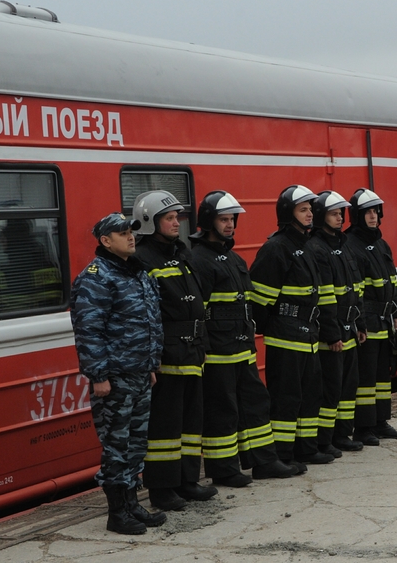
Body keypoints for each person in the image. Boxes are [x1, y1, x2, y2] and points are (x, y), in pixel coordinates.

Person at [187, 190, 299, 487]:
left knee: (255, 404)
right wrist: (205, 351)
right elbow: (200, 312)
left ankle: (264, 462)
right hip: (218, 353)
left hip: (242, 348)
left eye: (232, 219)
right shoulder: (199, 259)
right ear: (208, 221)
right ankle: (224, 470)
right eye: (223, 219)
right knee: (222, 411)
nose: (230, 225)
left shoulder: (232, 258)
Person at [70, 213, 167, 535]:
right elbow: (89, 331)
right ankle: (117, 513)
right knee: (116, 445)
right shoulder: (96, 278)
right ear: (105, 241)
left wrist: (151, 365)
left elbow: (151, 322)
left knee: (136, 443)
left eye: (131, 232)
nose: (131, 237)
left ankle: (132, 504)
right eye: (122, 233)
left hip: (139, 373)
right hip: (115, 378)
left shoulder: (137, 273)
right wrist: (98, 376)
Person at [132, 191, 217, 511]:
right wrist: (151, 359)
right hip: (167, 355)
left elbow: (197, 302)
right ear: (148, 222)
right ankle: (162, 489)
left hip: (193, 351)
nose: (175, 223)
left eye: (176, 218)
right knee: (165, 426)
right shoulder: (142, 258)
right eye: (168, 218)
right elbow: (143, 314)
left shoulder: (181, 253)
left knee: (191, 421)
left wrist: (203, 345)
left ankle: (187, 481)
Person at [249, 185, 334, 467]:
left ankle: (306, 449)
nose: (310, 214)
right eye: (303, 209)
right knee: (286, 398)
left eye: (311, 209)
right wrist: (273, 327)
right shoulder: (276, 248)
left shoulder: (305, 246)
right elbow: (259, 301)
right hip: (285, 337)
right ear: (289, 213)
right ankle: (283, 454)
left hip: (308, 334)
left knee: (310, 395)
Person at [343, 189, 397, 445]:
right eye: (367, 212)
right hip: (367, 321)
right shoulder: (350, 245)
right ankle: (364, 428)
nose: (372, 217)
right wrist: (358, 322)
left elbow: (392, 281)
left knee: (382, 376)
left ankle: (381, 422)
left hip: (385, 320)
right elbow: (354, 290)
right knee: (366, 378)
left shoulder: (381, 244)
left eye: (375, 212)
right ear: (357, 216)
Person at [305, 190, 365, 455]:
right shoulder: (318, 249)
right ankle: (324, 440)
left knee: (348, 386)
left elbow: (355, 289)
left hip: (349, 328)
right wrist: (331, 334)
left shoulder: (342, 246)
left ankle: (343, 434)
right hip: (333, 333)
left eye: (341, 213)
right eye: (334, 213)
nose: (340, 217)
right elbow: (324, 298)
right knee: (330, 389)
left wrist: (360, 323)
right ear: (321, 217)